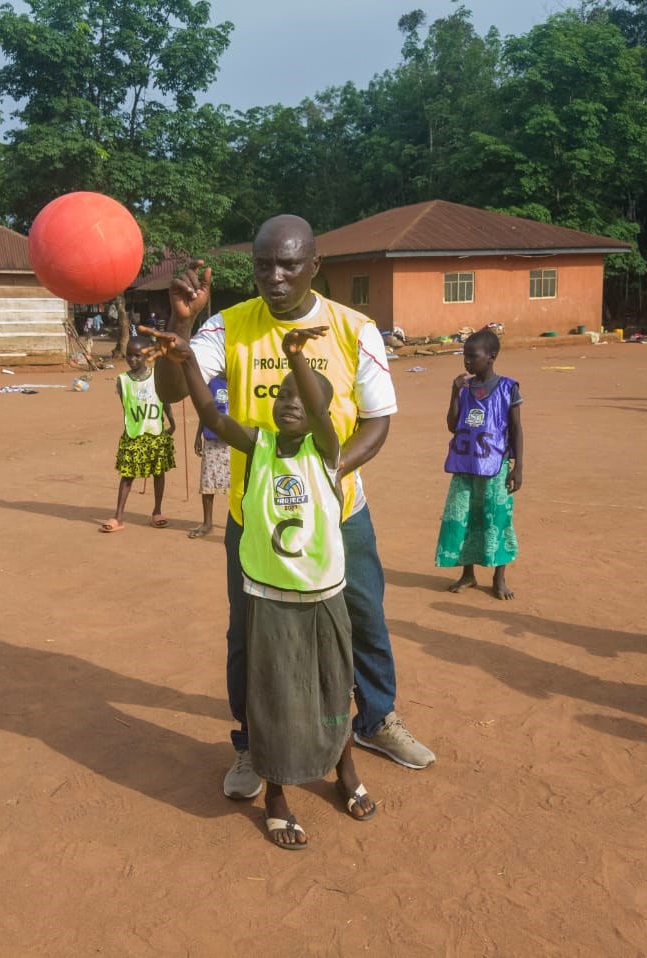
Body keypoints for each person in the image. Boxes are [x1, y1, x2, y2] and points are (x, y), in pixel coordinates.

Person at [151, 214, 435, 801]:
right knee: (247, 635)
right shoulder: (227, 327)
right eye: (262, 265)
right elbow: (175, 393)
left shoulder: (356, 329)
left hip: (339, 516)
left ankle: (376, 719)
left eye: (287, 264)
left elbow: (378, 422)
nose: (273, 277)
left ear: (314, 266)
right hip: (254, 519)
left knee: (364, 619)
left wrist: (325, 478)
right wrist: (181, 321)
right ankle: (252, 744)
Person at [155, 323, 377, 848]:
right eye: (281, 394)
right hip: (268, 597)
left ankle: (342, 769)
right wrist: (188, 360)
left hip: (323, 594)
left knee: (333, 685)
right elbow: (211, 415)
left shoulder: (326, 452)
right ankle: (276, 792)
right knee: (273, 695)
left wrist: (295, 355)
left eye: (300, 395)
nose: (289, 402)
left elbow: (321, 414)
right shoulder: (258, 446)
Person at [435, 328, 523, 598]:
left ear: (492, 356)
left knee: (496, 519)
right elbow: (452, 425)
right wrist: (453, 393)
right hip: (464, 468)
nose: (467, 362)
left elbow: (517, 429)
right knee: (463, 519)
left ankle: (499, 577)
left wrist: (518, 467)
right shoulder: (464, 389)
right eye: (465, 357)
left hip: (495, 469)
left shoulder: (509, 387)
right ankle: (467, 574)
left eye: (473, 357)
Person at [101, 335, 175, 533]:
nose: (132, 360)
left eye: (137, 356)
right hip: (133, 435)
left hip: (156, 434)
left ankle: (157, 512)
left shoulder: (157, 377)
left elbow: (165, 401)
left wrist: (172, 423)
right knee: (127, 476)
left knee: (159, 473)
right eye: (129, 356)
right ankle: (118, 517)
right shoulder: (122, 381)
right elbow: (127, 407)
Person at [189, 375, 229, 539]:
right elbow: (203, 409)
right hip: (213, 437)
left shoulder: (243, 379)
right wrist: (198, 435)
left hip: (236, 439)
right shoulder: (211, 383)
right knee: (208, 481)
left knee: (240, 483)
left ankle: (243, 522)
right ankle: (207, 522)